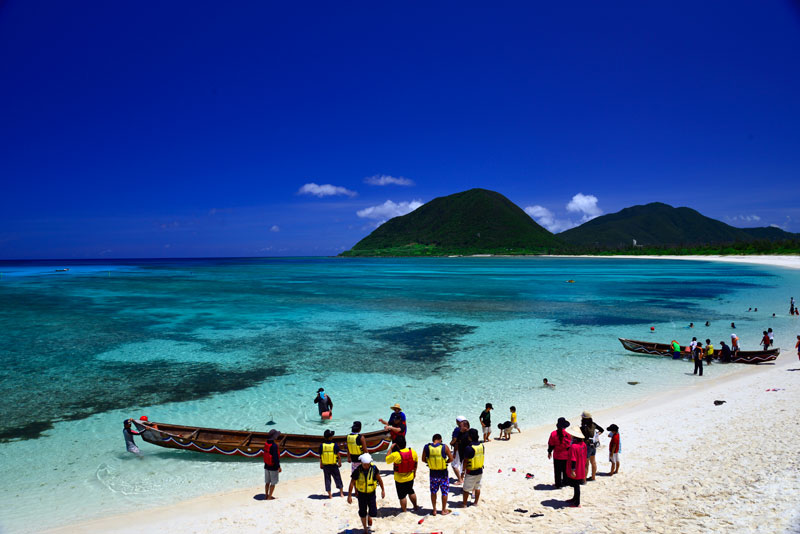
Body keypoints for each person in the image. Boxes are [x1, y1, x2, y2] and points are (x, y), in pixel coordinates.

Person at [348, 453, 385, 533]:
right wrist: (349, 495)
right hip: (361, 494)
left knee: (373, 512)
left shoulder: (374, 469)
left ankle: (369, 517)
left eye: (368, 465)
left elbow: (379, 479)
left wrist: (383, 490)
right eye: (365, 465)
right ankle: (365, 529)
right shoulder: (357, 470)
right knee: (362, 512)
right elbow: (352, 483)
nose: (366, 466)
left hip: (371, 493)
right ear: (361, 463)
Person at [421, 433, 453, 516]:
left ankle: (434, 510)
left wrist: (430, 462)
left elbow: (423, 459)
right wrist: (445, 462)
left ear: (433, 440)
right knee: (444, 492)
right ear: (440, 439)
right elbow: (451, 458)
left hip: (433, 473)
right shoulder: (444, 447)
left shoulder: (427, 447)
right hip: (443, 473)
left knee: (433, 492)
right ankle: (443, 510)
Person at [385, 435, 419, 512]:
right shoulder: (412, 452)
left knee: (402, 496)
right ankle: (415, 506)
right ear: (405, 443)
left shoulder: (396, 455)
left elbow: (387, 459)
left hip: (399, 479)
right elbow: (415, 463)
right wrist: (415, 473)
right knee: (411, 491)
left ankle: (404, 510)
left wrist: (390, 448)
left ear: (396, 445)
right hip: (410, 477)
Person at [547, 417, 573, 488]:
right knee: (565, 470)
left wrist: (549, 452)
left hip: (557, 455)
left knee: (557, 471)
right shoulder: (568, 433)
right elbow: (570, 444)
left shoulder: (553, 433)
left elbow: (551, 444)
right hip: (566, 455)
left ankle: (558, 484)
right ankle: (565, 482)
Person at [462, 428, 484, 507]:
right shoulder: (482, 445)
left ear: (470, 436)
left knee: (466, 489)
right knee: (477, 487)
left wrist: (462, 472)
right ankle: (475, 503)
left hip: (471, 471)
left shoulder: (469, 448)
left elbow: (465, 461)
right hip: (480, 470)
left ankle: (464, 504)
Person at [580, 411, 604, 482]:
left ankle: (584, 480)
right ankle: (593, 477)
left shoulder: (583, 427)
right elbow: (602, 430)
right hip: (593, 445)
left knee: (586, 464)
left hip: (587, 446)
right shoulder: (593, 424)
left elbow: (582, 437)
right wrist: (597, 434)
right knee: (593, 462)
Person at [319, 429, 344, 498]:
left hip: (326, 466)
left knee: (327, 480)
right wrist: (340, 462)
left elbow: (321, 456)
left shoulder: (322, 445)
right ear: (330, 437)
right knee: (338, 478)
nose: (332, 437)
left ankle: (330, 495)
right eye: (332, 436)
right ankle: (341, 493)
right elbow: (338, 455)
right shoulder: (334, 445)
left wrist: (321, 464)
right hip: (333, 465)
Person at [565, 435, 588, 507]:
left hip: (576, 468)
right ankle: (574, 498)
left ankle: (577, 503)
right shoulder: (583, 444)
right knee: (576, 485)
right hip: (581, 466)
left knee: (576, 485)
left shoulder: (574, 446)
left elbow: (573, 459)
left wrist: (572, 470)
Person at [263, 429, 281, 500]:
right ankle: (270, 497)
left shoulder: (266, 443)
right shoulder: (274, 446)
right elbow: (275, 458)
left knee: (267, 482)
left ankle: (266, 495)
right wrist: (278, 467)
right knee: (273, 483)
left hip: (266, 466)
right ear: (274, 437)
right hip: (273, 467)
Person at [449, 417, 468, 484]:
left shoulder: (457, 430)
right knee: (463, 464)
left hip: (458, 450)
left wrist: (450, 443)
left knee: (454, 464)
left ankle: (460, 480)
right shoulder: (468, 430)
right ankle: (462, 478)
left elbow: (455, 441)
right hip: (466, 450)